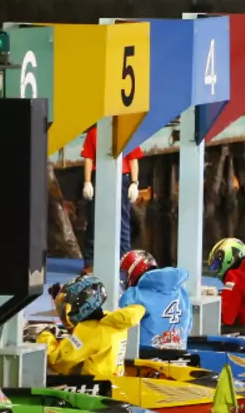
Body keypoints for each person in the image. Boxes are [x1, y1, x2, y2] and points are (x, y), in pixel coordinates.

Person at [35, 274, 145, 378]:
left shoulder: (90, 330)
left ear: (83, 308)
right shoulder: (113, 322)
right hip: (111, 379)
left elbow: (59, 361)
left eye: (71, 307)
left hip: (91, 388)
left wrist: (44, 337)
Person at [80, 124, 143, 272]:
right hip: (100, 176)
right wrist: (87, 181)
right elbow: (89, 158)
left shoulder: (126, 131)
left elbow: (133, 158)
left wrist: (134, 182)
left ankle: (123, 260)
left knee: (123, 221)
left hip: (122, 178)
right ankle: (91, 262)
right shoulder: (94, 132)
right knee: (95, 220)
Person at [118, 250, 192, 350]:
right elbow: (189, 326)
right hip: (181, 358)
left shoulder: (134, 295)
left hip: (146, 359)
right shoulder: (182, 292)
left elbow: (121, 330)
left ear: (133, 270)